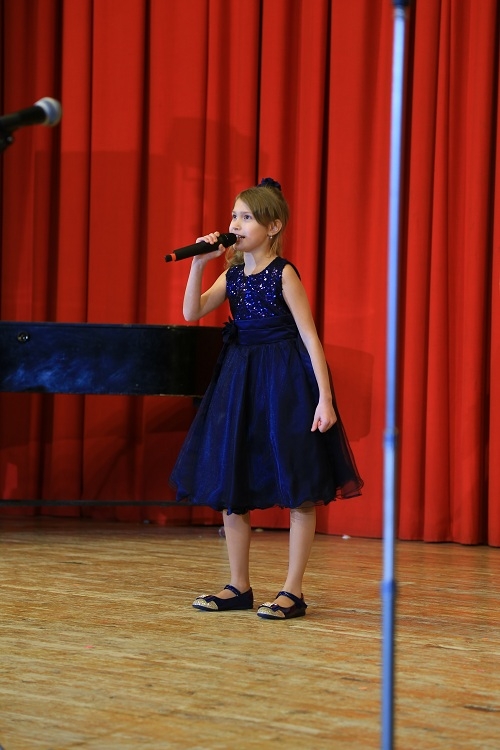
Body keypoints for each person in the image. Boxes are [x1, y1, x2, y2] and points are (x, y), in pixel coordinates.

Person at [170, 177, 363, 620]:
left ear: (273, 226)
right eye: (233, 216)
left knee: (298, 483)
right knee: (232, 478)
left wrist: (325, 399)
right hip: (240, 379)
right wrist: (199, 264)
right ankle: (238, 585)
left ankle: (293, 591)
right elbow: (191, 312)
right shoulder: (233, 274)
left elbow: (310, 338)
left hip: (285, 380)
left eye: (246, 217)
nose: (235, 224)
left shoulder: (283, 273)